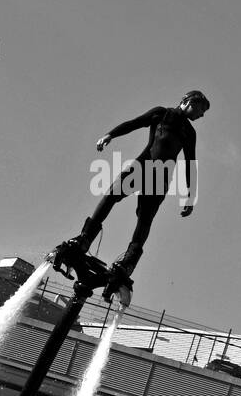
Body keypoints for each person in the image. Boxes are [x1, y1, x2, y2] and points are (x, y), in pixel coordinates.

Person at [56, 90, 209, 286]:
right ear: (188, 101)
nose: (202, 115)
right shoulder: (161, 113)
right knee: (111, 194)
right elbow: (133, 123)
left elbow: (190, 163)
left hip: (160, 177)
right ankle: (85, 239)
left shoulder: (190, 132)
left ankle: (128, 262)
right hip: (141, 166)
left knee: (145, 218)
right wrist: (110, 134)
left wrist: (191, 196)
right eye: (201, 109)